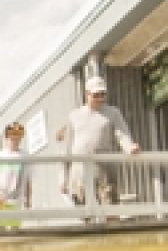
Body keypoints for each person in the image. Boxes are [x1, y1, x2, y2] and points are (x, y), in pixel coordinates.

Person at [55, 77, 140, 211]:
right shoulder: (74, 116)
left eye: (102, 94)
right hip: (80, 169)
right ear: (87, 94)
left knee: (110, 208)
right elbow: (66, 150)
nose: (100, 98)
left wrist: (129, 147)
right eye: (96, 95)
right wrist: (63, 177)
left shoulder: (113, 112)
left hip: (104, 167)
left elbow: (122, 133)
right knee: (85, 211)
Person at [0, 121, 31, 226]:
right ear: (7, 137)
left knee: (13, 226)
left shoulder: (24, 155)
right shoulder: (0, 155)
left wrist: (28, 198)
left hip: (15, 197)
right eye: (12, 136)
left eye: (18, 136)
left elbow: (27, 177)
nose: (15, 139)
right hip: (0, 195)